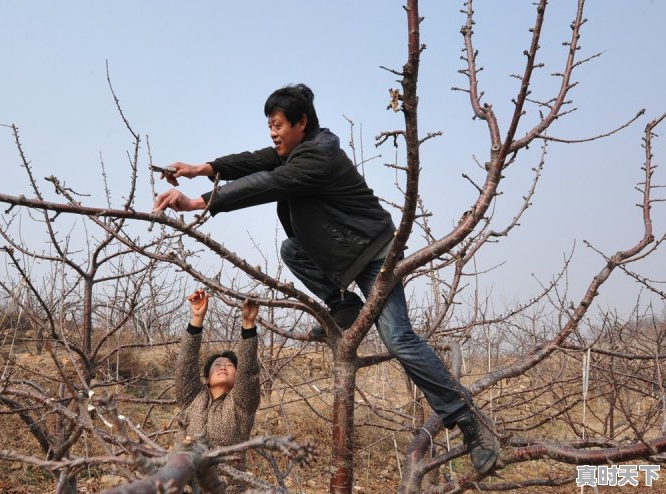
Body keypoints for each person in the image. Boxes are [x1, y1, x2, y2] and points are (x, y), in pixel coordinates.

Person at [155, 84, 500, 474]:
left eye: (278, 124)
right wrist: (205, 168)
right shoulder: (298, 149)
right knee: (293, 250)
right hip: (345, 252)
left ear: (301, 123)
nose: (272, 132)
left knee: (399, 338)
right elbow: (256, 161)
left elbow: (267, 182)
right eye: (269, 124)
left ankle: (471, 422)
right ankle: (343, 305)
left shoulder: (317, 156)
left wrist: (200, 201)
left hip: (373, 253)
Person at [175, 289, 261, 449]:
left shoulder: (241, 405)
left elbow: (248, 371)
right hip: (184, 472)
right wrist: (197, 319)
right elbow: (185, 364)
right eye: (217, 365)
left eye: (229, 365)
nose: (223, 367)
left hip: (225, 474)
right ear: (207, 377)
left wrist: (248, 324)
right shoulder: (191, 398)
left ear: (238, 377)